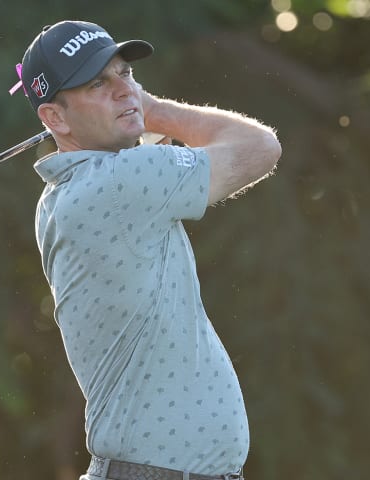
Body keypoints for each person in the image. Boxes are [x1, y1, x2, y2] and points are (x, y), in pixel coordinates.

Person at [17, 20, 281, 480]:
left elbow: (145, 150)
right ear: (55, 118)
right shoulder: (121, 183)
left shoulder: (64, 194)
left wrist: (130, 111)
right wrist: (154, 110)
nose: (125, 89)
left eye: (126, 74)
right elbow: (259, 147)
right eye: (98, 83)